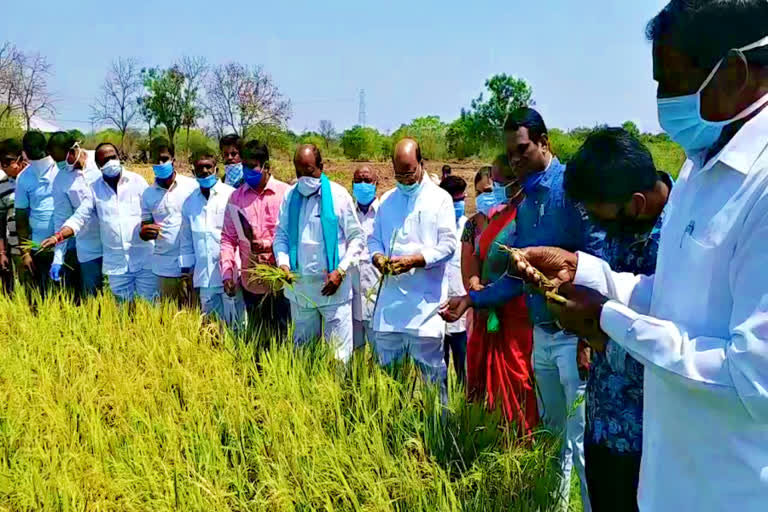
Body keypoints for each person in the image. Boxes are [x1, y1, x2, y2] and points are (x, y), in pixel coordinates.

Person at [511, 4, 768, 511]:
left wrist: (608, 320)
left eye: (670, 82)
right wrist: (584, 270)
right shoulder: (700, 169)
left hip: (729, 491)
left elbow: (752, 376)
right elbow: (668, 300)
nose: (661, 102)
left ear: (735, 73)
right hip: (667, 483)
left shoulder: (760, 188)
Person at [441, 107, 602, 512]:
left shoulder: (572, 189)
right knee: (553, 437)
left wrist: (587, 337)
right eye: (510, 154)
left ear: (545, 143)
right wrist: (471, 300)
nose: (515, 161)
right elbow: (518, 276)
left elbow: (598, 264)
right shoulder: (528, 200)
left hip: (574, 337)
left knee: (581, 441)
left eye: (522, 150)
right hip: (542, 336)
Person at [562, 127, 672, 512]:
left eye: (599, 215)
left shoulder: (679, 238)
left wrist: (598, 330)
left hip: (654, 439)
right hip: (604, 419)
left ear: (637, 203)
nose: (596, 225)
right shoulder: (617, 225)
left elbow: (677, 341)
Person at [448, 158, 538, 434]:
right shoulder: (475, 225)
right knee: (479, 373)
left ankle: (521, 441)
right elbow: (471, 261)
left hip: (513, 311)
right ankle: (483, 434)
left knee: (517, 376)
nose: (490, 194)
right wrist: (475, 285)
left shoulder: (522, 218)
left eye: (495, 187)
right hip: (482, 308)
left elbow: (520, 270)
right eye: (483, 191)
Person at [369, 138, 456, 403]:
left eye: (409, 172)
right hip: (390, 309)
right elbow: (373, 240)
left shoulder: (440, 199)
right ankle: (391, 432)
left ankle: (437, 433)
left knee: (432, 382)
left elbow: (449, 246)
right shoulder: (386, 200)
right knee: (389, 382)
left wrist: (416, 260)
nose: (405, 179)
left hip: (425, 309)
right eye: (399, 174)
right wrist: (378, 257)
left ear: (421, 163)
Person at [273, 144, 363, 361]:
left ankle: (336, 393)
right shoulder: (290, 196)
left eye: (309, 171)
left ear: (321, 167)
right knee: (303, 353)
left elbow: (356, 238)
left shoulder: (338, 195)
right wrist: (283, 263)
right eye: (299, 173)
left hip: (334, 290)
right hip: (301, 291)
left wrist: (340, 271)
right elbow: (281, 236)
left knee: (338, 356)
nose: (304, 178)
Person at [41, 143, 157, 303]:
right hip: (117, 263)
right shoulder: (94, 190)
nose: (110, 163)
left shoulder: (137, 181)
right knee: (123, 308)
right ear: (98, 165)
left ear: (119, 157)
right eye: (105, 160)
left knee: (151, 305)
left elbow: (152, 210)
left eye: (113, 157)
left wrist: (148, 227)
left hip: (144, 257)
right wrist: (58, 237)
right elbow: (79, 217)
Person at [220, 140, 291, 334]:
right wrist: (228, 272)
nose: (246, 171)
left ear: (266, 166)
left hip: (282, 283)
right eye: (244, 166)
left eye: (252, 167)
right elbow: (228, 238)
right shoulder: (236, 198)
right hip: (251, 284)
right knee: (257, 339)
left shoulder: (286, 195)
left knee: (283, 337)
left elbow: (294, 236)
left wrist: (268, 246)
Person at [179, 150, 236, 320]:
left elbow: (238, 237)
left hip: (230, 274)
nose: (204, 171)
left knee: (236, 324)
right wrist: (185, 272)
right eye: (200, 168)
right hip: (204, 277)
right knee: (210, 326)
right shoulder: (189, 202)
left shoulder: (231, 195)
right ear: (193, 171)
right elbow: (186, 240)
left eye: (208, 167)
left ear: (216, 169)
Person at [140, 139, 198, 304]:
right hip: (164, 266)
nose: (160, 163)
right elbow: (145, 225)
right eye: (155, 160)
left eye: (164, 159)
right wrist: (144, 232)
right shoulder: (148, 194)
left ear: (173, 159)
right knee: (168, 315)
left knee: (195, 313)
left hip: (193, 263)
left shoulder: (192, 186)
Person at [49, 133, 103, 298]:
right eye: (55, 160)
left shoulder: (100, 159)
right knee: (92, 298)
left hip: (114, 242)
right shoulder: (60, 181)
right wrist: (58, 257)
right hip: (88, 246)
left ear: (73, 150)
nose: (59, 164)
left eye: (61, 159)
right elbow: (61, 218)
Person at [14, 131, 58, 295]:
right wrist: (25, 253)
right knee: (43, 295)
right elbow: (21, 217)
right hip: (39, 248)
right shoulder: (23, 177)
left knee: (70, 296)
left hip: (67, 247)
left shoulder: (60, 170)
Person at [439, 175, 469, 384]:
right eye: (455, 200)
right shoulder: (435, 227)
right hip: (437, 307)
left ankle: (462, 406)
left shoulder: (470, 227)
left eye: (462, 199)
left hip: (462, 309)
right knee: (439, 366)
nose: (459, 204)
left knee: (462, 366)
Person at [349, 165, 381, 350]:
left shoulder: (384, 213)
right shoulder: (347, 213)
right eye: (358, 181)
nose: (363, 185)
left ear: (376, 184)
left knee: (380, 354)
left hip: (377, 297)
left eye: (367, 181)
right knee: (354, 353)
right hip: (351, 297)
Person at [0, 138, 26, 293]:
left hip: (38, 244)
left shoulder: (35, 178)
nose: (4, 166)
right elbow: (0, 222)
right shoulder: (2, 185)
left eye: (7, 162)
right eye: (1, 162)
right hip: (14, 246)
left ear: (20, 158)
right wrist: (2, 252)